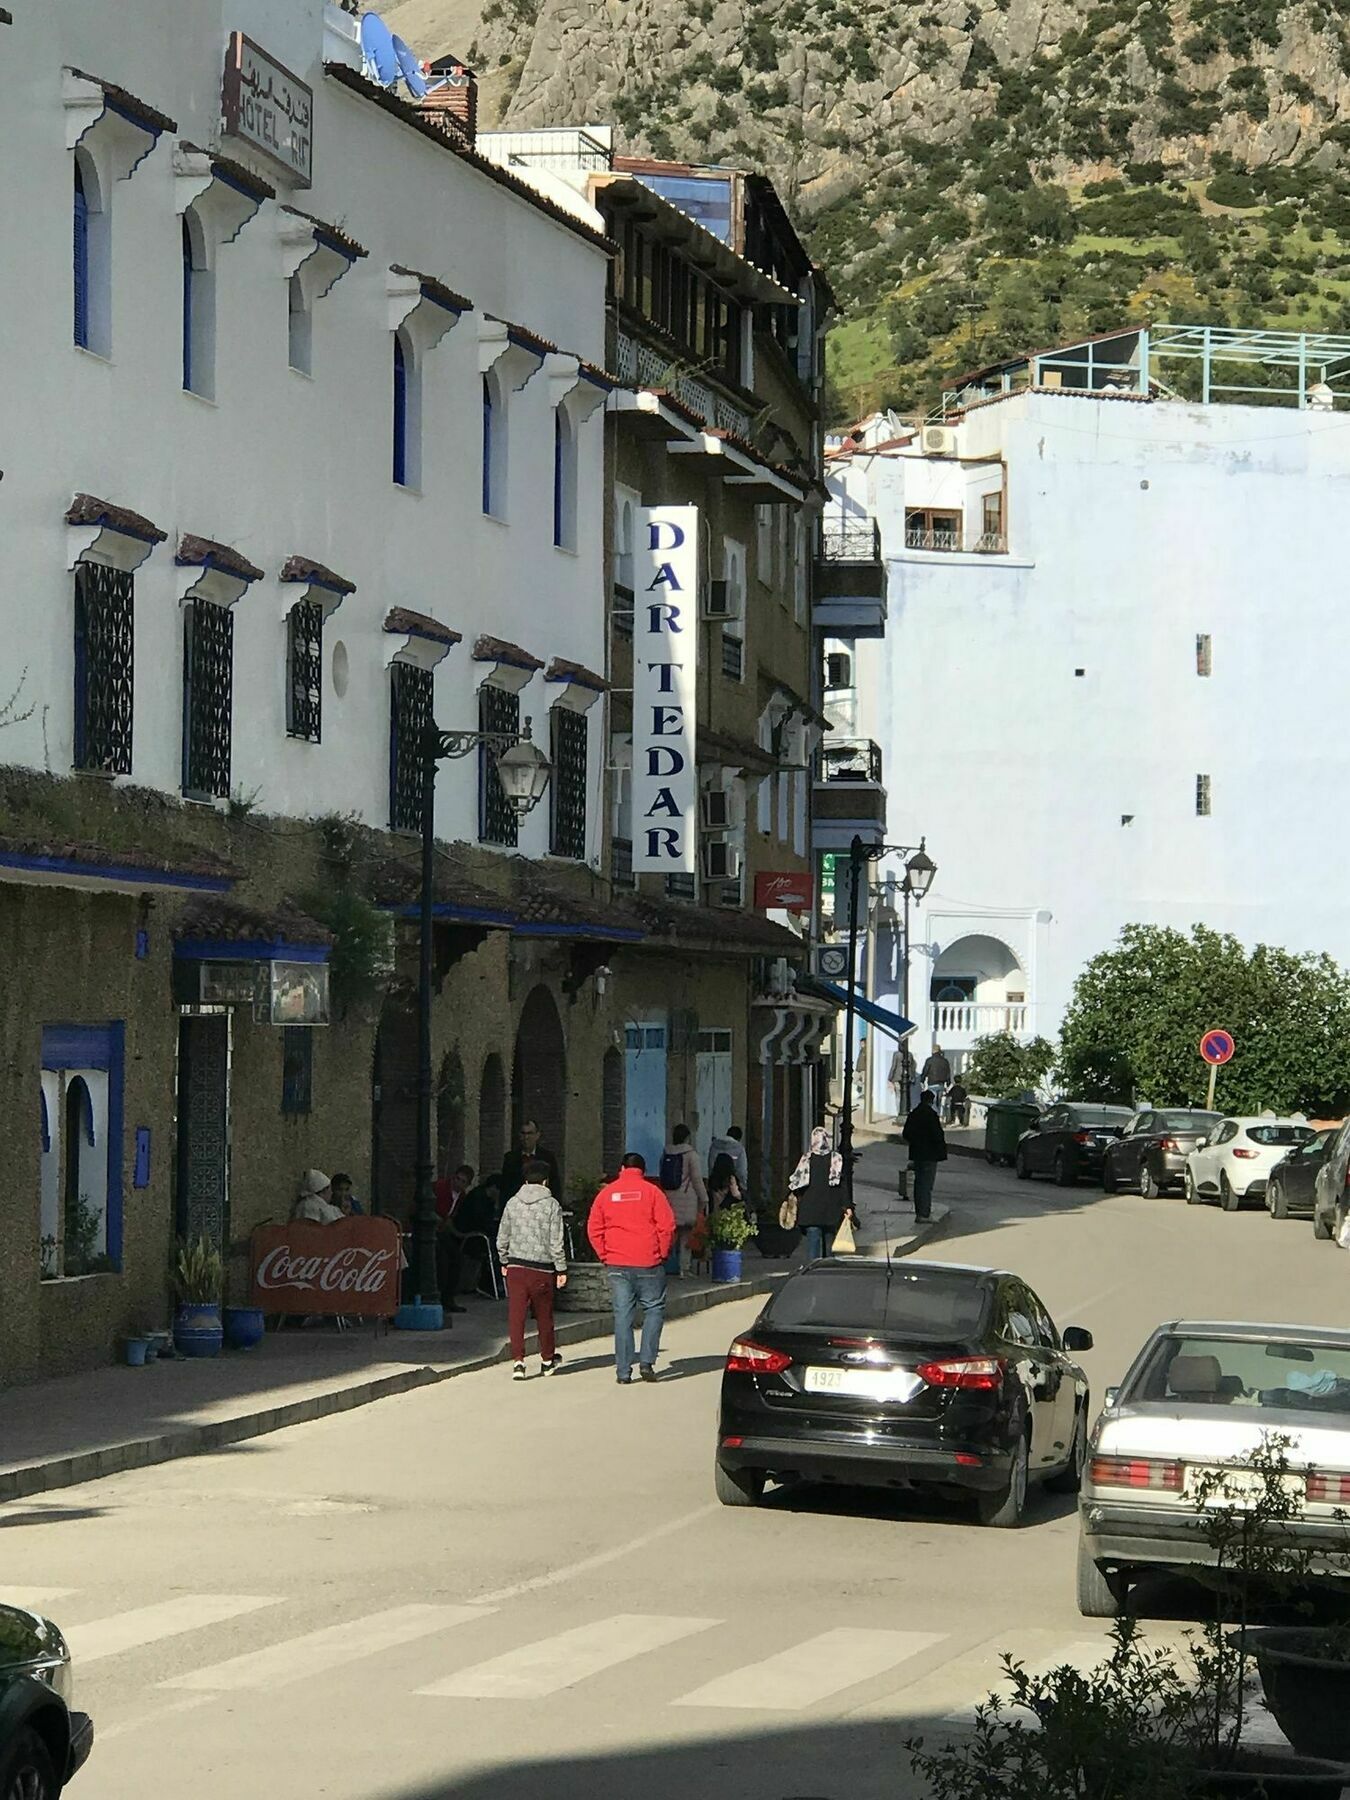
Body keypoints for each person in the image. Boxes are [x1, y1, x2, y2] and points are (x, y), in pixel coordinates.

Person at [587, 1153, 676, 1384]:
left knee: (622, 1316)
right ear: (643, 1170)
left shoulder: (606, 1194)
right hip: (649, 1262)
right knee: (654, 1309)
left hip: (617, 1263)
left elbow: (594, 1228)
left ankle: (623, 1372)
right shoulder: (653, 1193)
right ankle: (646, 1362)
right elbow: (666, 1226)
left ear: (621, 1168)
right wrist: (662, 1253)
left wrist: (605, 1254)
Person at [496, 1158, 568, 1379]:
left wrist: (504, 1260)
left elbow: (502, 1237)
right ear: (545, 1181)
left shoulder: (512, 1203)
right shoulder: (551, 1205)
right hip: (542, 1269)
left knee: (516, 1315)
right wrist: (561, 1268)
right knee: (544, 1315)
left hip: (516, 1266)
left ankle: (518, 1361)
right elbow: (556, 1241)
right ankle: (547, 1359)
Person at [788, 1126, 855, 1260]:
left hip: (810, 1210)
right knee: (829, 1246)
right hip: (830, 1210)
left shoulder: (806, 1159)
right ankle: (828, 1273)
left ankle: (812, 1273)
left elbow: (796, 1183)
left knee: (813, 1247)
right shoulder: (836, 1159)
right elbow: (842, 1185)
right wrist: (847, 1206)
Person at [659, 1123, 708, 1277]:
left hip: (669, 1197)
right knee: (685, 1235)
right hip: (687, 1199)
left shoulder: (666, 1153)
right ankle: (683, 1268)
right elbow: (696, 1179)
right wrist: (704, 1198)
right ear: (688, 1137)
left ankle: (665, 1264)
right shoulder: (691, 1155)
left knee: (670, 1233)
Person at [903, 1089, 948, 1222]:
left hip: (917, 1154)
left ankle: (919, 1213)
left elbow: (906, 1134)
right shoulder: (931, 1115)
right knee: (926, 1185)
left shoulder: (914, 1114)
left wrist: (915, 1143)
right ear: (931, 1100)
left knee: (919, 1184)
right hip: (929, 1155)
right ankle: (924, 1214)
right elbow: (937, 1135)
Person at [500, 1119, 561, 1201]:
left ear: (537, 1135)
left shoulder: (548, 1157)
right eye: (523, 1133)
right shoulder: (510, 1158)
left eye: (530, 1133)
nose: (526, 1137)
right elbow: (505, 1187)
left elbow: (555, 1185)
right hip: (517, 1205)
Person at [706, 1125, 749, 1195]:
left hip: (715, 1184)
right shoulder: (740, 1149)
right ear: (739, 1138)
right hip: (732, 1185)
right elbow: (742, 1171)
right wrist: (744, 1185)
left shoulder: (714, 1145)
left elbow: (711, 1165)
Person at [921, 1045, 953, 1119]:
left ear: (932, 1051)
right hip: (941, 1084)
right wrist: (948, 1083)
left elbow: (925, 1071)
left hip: (932, 1084)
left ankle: (934, 1116)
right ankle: (939, 1116)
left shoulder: (929, 1060)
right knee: (940, 1102)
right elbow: (948, 1073)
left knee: (932, 1102)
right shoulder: (945, 1061)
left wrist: (922, 1081)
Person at [888, 1049, 907, 1123]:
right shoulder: (909, 1054)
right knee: (905, 1096)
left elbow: (894, 1066)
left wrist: (890, 1078)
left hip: (897, 1078)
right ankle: (904, 1111)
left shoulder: (896, 1054)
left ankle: (899, 1113)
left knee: (898, 1096)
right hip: (906, 1077)